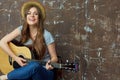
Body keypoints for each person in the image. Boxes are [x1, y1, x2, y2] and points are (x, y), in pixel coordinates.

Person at [0, 1, 58, 80]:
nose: (32, 16)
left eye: (35, 14)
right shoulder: (21, 29)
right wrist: (15, 58)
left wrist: (51, 63)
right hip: (28, 72)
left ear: (39, 18)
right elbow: (2, 42)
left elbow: (54, 57)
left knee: (35, 66)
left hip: (45, 72)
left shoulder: (47, 35)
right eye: (29, 13)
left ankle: (4, 77)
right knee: (29, 70)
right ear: (26, 16)